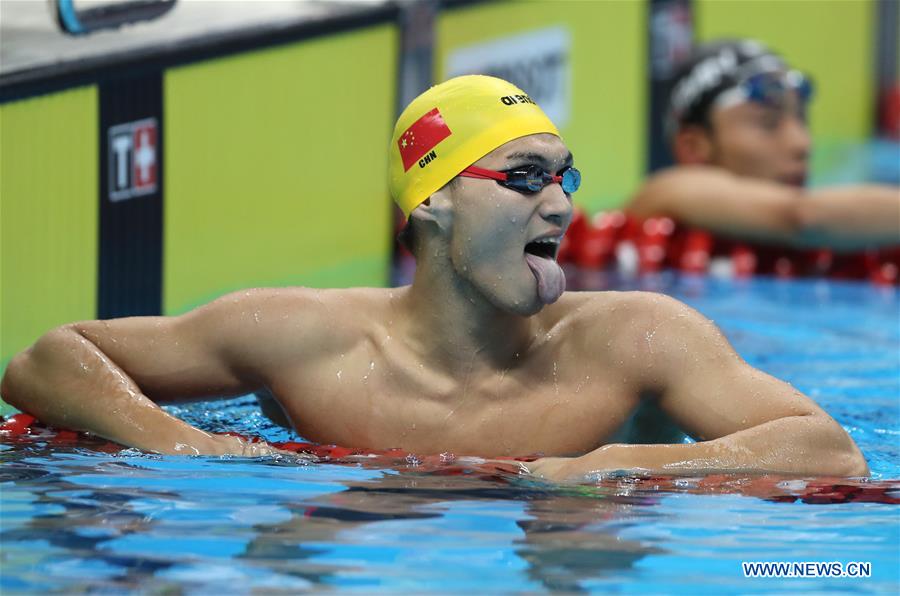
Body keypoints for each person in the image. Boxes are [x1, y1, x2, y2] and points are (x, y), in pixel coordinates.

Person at [0, 75, 868, 481]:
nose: (561, 204)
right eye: (524, 178)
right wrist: (181, 445)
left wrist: (621, 463)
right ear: (434, 203)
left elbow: (829, 449)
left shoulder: (636, 336)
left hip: (576, 546)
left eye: (564, 176)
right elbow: (48, 359)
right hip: (365, 545)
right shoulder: (303, 335)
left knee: (577, 530)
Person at [627, 39, 900, 276]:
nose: (803, 143)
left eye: (801, 119)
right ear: (694, 147)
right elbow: (804, 216)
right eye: (768, 123)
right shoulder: (666, 191)